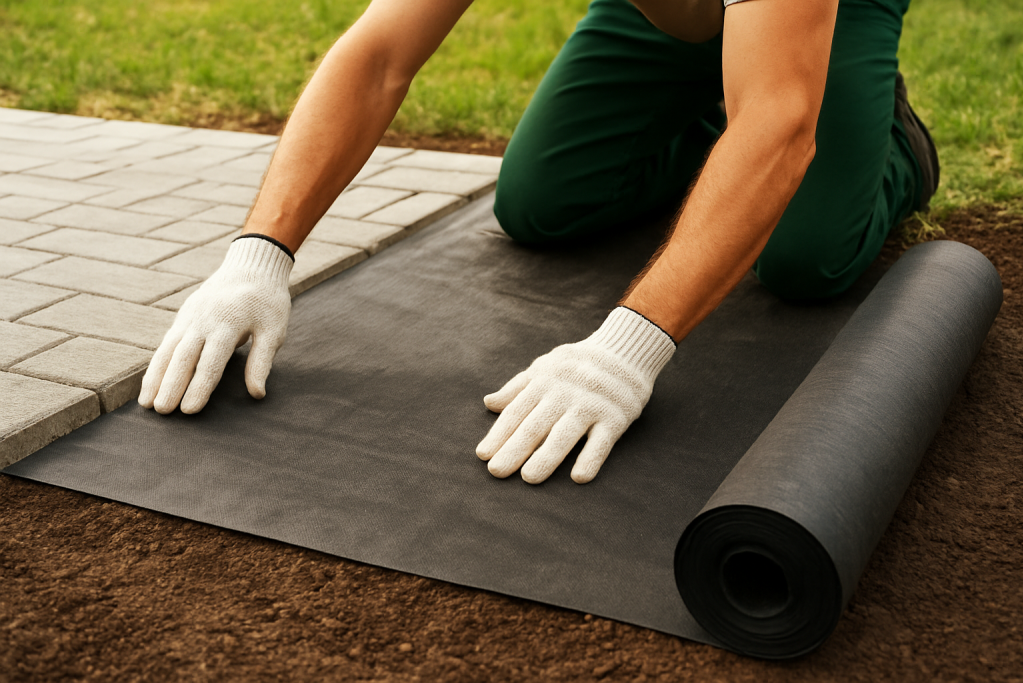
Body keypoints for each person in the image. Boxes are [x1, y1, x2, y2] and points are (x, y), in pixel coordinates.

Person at [138, 0, 938, 485]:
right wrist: (257, 259)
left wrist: (629, 348)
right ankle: (722, 149)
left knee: (805, 256)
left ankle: (890, 145)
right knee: (543, 204)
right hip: (662, 13)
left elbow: (778, 119)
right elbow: (379, 53)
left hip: (819, 14)